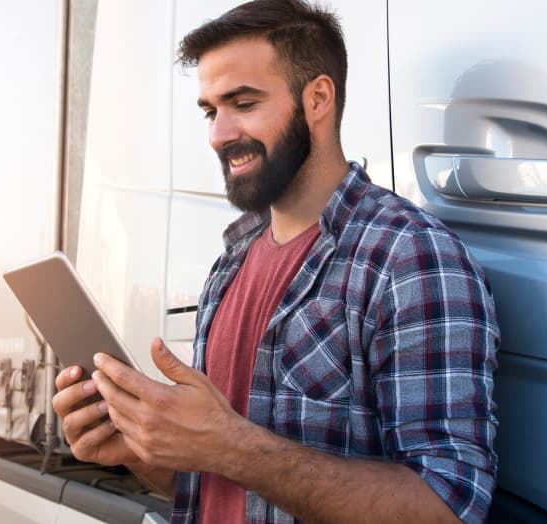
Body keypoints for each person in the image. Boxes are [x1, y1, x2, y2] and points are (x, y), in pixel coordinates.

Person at [52, 1, 500, 522]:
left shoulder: (411, 260)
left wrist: (229, 446)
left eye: (243, 103)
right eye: (210, 110)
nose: (219, 133)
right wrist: (138, 448)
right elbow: (214, 487)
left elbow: (447, 506)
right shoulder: (231, 264)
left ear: (317, 99)